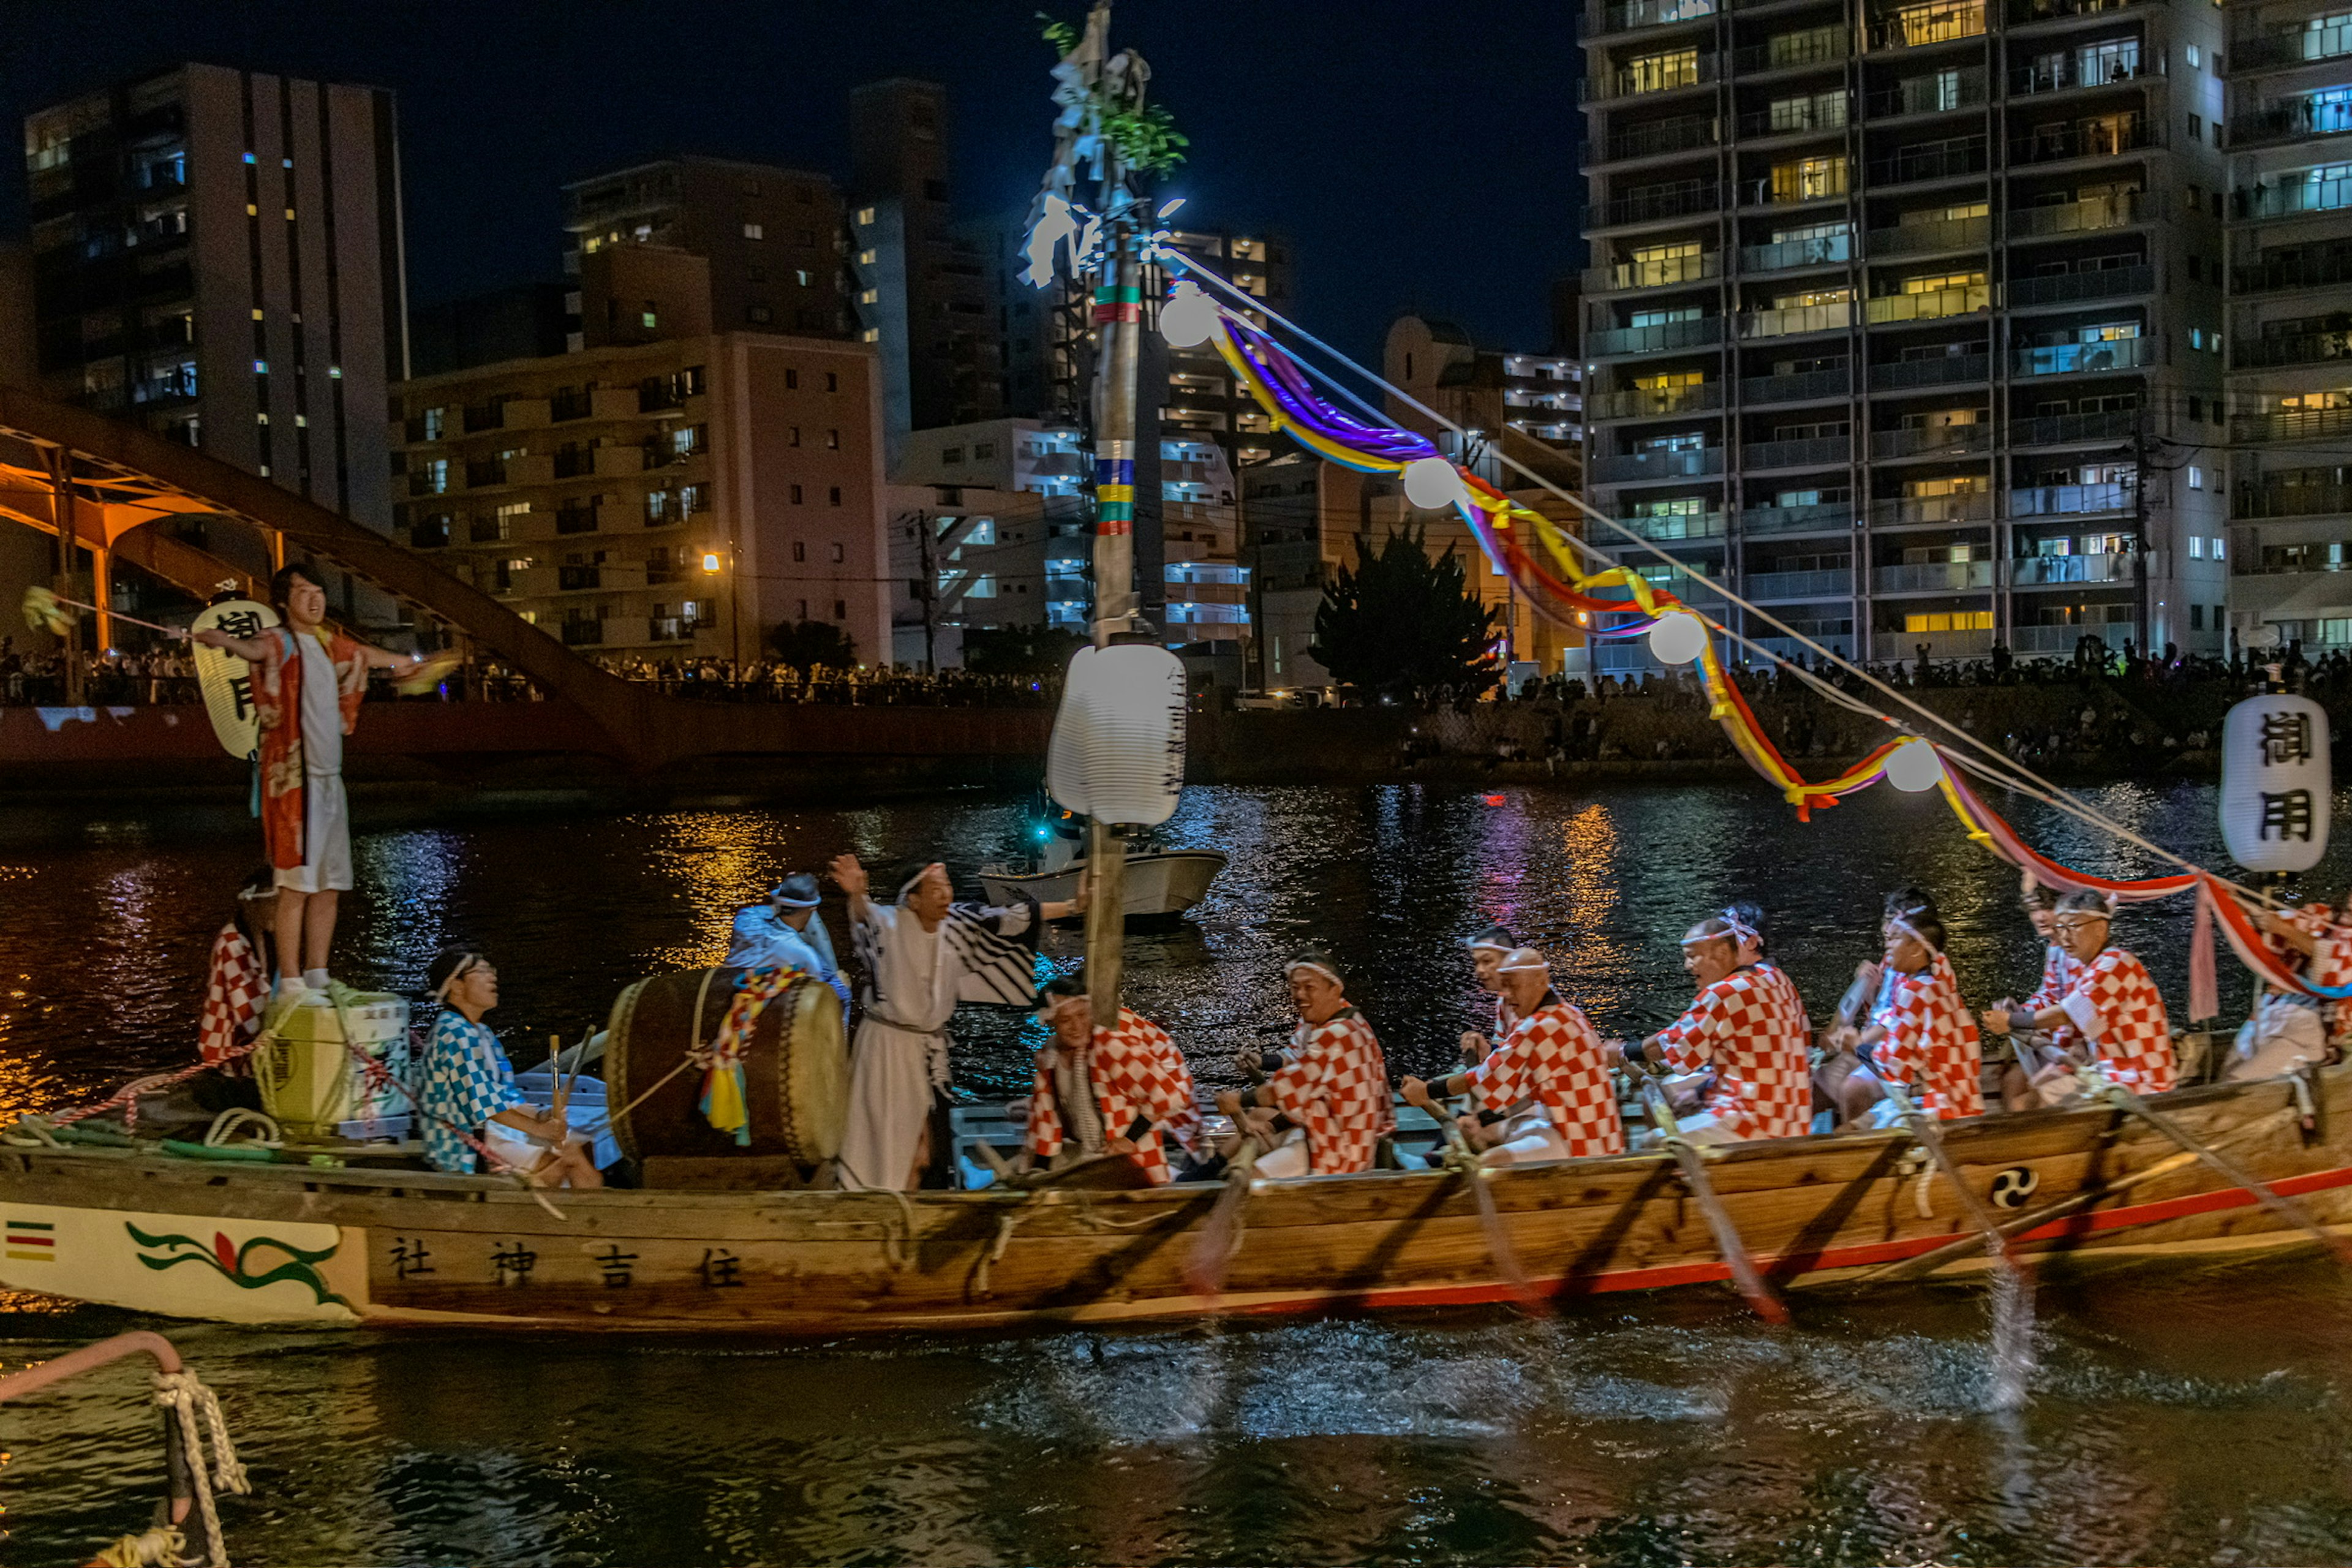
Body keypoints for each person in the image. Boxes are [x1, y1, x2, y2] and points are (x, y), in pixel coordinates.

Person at [193, 562, 429, 1006]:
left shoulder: (327, 644)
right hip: (294, 782)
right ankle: (294, 981)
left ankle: (319, 972)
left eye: (318, 590)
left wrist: (404, 662)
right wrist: (224, 640)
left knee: (330, 883)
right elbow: (256, 650)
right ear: (284, 602)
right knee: (296, 884)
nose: (315, 598)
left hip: (329, 780)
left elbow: (362, 655)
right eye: (304, 591)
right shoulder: (279, 641)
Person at [830, 854, 1085, 1190]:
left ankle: (919, 1196)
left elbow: (1012, 919)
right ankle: (889, 1200)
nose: (946, 894)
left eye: (947, 886)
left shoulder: (956, 925)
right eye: (935, 889)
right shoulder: (890, 925)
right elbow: (865, 916)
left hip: (929, 1049)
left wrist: (1072, 906)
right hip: (888, 1050)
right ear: (914, 899)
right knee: (892, 1142)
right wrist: (856, 894)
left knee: (926, 1147)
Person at [1402, 947, 1623, 1166]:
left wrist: (1425, 1091)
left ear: (1540, 981)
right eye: (1504, 985)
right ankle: (1434, 1161)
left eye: (1513, 986)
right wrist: (1486, 1120)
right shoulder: (1572, 1014)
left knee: (1488, 1164)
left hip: (1583, 1145)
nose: (1507, 995)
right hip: (1598, 1137)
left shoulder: (1538, 1027)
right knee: (1487, 1131)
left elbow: (1482, 1079)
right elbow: (1517, 1083)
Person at [414, 946, 601, 1188]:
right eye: (481, 971)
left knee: (578, 1146)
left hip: (494, 1132)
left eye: (490, 970)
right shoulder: (452, 1033)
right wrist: (540, 1130)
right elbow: (485, 1105)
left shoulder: (482, 1033)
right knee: (571, 1159)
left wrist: (543, 1115)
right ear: (457, 986)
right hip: (464, 1144)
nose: (492, 976)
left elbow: (504, 1096)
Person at [1619, 914, 1811, 1144]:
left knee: (1652, 1142)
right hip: (1796, 1119)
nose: (1687, 966)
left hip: (1753, 1122)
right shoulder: (1777, 977)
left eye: (1692, 957)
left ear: (1721, 952)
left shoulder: (1722, 994)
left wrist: (1624, 1052)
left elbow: (1675, 1047)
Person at [1215, 949, 1394, 1178]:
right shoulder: (1338, 1020)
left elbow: (1288, 1087)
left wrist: (1236, 1100)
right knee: (1261, 1121)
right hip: (1324, 1127)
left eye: (1309, 988)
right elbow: (1298, 1066)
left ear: (1335, 989)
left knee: (1248, 1179)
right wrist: (1261, 1063)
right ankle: (1209, 1170)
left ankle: (1209, 1177)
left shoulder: (1336, 1034)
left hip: (1339, 1148)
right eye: (1295, 987)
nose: (1300, 995)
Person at [1983, 889, 2176, 1096]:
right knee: (2019, 1084)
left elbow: (2067, 1013)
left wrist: (2011, 1021)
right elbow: (2055, 999)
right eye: (2061, 928)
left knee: (2034, 1098)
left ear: (2101, 930)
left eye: (2074, 927)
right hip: (2105, 1067)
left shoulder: (2116, 964)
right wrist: (2020, 1013)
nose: (2065, 936)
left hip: (2140, 1077)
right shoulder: (2084, 961)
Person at [1018, 973, 1201, 1185]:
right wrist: (1039, 1172)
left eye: (1082, 1016)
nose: (1077, 1027)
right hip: (1087, 1158)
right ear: (1051, 1022)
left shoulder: (1110, 1046)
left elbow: (1170, 1095)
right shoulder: (1047, 1057)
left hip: (1132, 1165)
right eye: (1066, 1020)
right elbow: (1045, 1121)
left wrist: (1128, 1139)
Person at [1844, 902, 1983, 1125]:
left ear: (1917, 949)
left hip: (1942, 1110)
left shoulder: (1916, 991)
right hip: (1961, 1102)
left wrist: (1855, 1044)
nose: (1889, 946)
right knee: (1856, 1124)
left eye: (1896, 938)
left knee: (1850, 1132)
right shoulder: (1937, 986)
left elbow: (1892, 1065)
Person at [726, 872, 850, 1005]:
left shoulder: (746, 920)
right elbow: (820, 995)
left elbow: (761, 911)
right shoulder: (803, 952)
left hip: (730, 986)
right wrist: (842, 987)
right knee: (843, 989)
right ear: (812, 909)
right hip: (763, 1004)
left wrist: (781, 898)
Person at [1460, 924, 1518, 1066]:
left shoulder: (1530, 1003)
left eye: (1487, 961)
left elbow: (1515, 1064)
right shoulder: (1505, 997)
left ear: (1509, 960)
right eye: (1476, 963)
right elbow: (1504, 1041)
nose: (1479, 970)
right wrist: (1488, 1049)